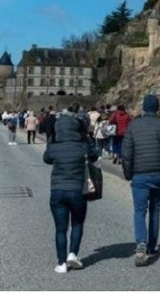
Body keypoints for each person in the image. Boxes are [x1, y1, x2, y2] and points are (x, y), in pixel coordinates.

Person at [122, 94, 160, 267]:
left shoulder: (134, 125)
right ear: (157, 108)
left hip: (139, 173)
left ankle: (141, 243)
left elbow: (127, 153)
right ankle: (152, 246)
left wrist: (128, 173)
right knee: (155, 210)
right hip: (159, 173)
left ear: (144, 108)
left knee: (140, 211)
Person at [43, 114, 100, 273]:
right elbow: (95, 155)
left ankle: (61, 264)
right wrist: (87, 137)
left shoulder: (54, 146)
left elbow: (46, 159)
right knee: (77, 223)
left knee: (60, 229)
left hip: (57, 191)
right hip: (77, 190)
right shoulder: (82, 146)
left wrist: (52, 140)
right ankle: (73, 254)